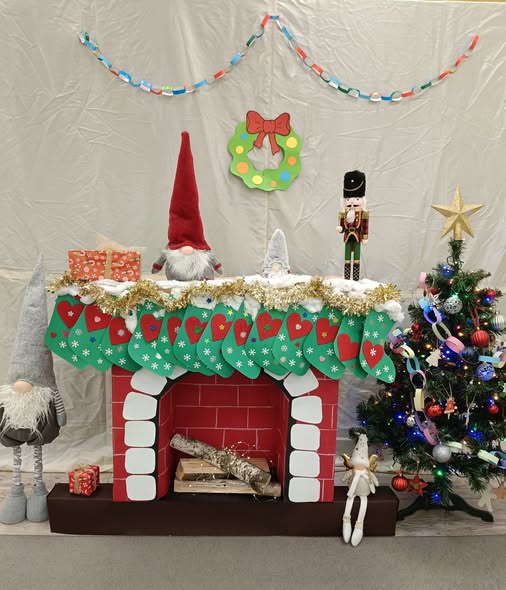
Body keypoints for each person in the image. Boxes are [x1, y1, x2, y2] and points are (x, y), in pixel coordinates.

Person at [0, 255, 66, 524]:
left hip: (39, 423)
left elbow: (56, 400)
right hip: (16, 423)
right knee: (16, 455)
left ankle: (38, 488)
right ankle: (16, 490)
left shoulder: (46, 390)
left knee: (37, 452)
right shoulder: (8, 395)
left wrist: (60, 415)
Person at [151, 131, 222, 281]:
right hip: (176, 284)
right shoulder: (180, 251)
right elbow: (159, 263)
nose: (187, 247)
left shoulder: (196, 252)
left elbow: (158, 264)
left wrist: (157, 266)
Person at [336, 170, 369, 280]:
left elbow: (365, 225)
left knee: (356, 258)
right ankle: (346, 278)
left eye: (357, 199)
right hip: (347, 237)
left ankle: (355, 278)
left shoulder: (363, 213)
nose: (352, 202)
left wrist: (365, 237)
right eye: (348, 199)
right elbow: (342, 226)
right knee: (347, 257)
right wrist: (340, 228)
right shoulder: (344, 213)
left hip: (358, 236)